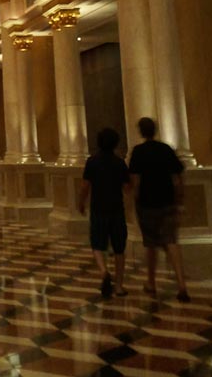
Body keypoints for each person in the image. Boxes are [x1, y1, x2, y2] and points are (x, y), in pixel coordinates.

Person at [129, 116, 190, 301]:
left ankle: (151, 282)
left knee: (151, 244)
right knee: (171, 241)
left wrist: (134, 201)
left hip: (147, 204)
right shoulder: (166, 149)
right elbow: (178, 178)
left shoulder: (138, 152)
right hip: (168, 201)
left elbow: (136, 180)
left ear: (141, 131)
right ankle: (181, 284)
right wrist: (179, 200)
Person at [78, 127, 130, 298]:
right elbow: (127, 188)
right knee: (119, 249)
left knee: (98, 244)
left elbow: (86, 186)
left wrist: (81, 203)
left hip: (99, 208)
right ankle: (119, 286)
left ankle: (103, 271)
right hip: (116, 209)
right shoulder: (120, 163)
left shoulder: (92, 162)